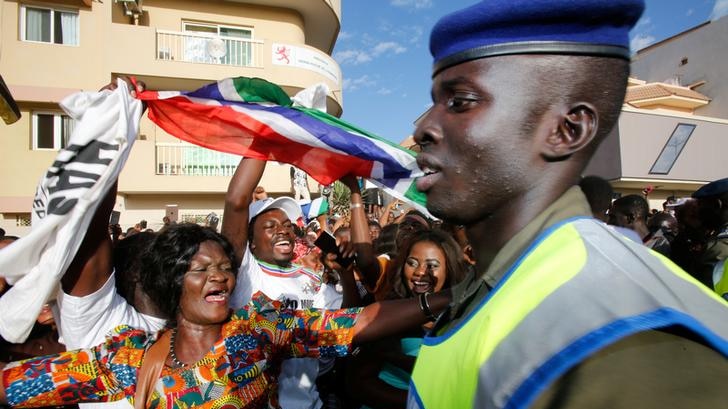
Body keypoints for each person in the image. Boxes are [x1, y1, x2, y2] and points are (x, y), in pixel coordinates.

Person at [408, 1, 728, 408]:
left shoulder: (616, 338)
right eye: (436, 101)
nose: (422, 128)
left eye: (461, 102)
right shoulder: (499, 279)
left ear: (566, 130)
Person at [0, 223, 451, 409]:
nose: (218, 277)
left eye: (223, 267)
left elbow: (352, 322)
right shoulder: (133, 357)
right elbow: (28, 383)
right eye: (201, 269)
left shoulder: (258, 331)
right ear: (171, 282)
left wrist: (442, 301)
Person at [348, 229, 468, 408]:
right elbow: (359, 383)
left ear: (449, 269)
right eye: (412, 263)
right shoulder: (389, 314)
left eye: (432, 265)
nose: (420, 272)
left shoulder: (464, 317)